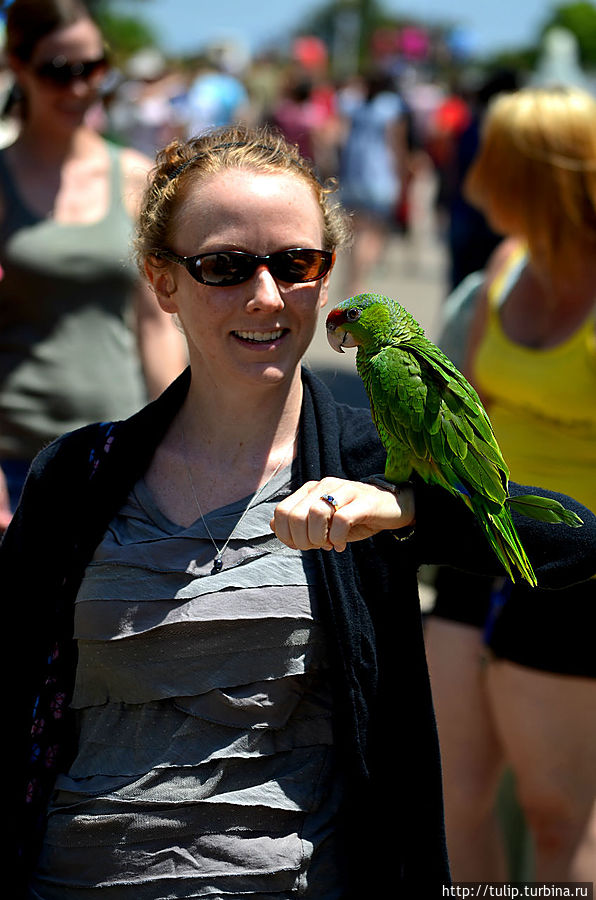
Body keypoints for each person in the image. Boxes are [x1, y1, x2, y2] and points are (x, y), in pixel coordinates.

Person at [4, 124, 595, 898]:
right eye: (222, 266)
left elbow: (578, 542)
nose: (266, 295)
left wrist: (407, 507)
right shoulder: (78, 475)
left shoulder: (364, 464)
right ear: (163, 282)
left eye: (297, 264)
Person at [425, 86, 596, 881]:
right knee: (452, 798)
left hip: (580, 575)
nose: (473, 176)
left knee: (559, 819)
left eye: (495, 157)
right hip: (480, 554)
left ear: (541, 175)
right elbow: (472, 412)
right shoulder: (503, 265)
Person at [0, 0, 186, 528]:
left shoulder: (135, 178)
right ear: (18, 66)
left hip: (116, 451)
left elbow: (157, 326)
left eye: (93, 68)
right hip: (15, 463)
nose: (80, 87)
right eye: (59, 71)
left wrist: (174, 442)